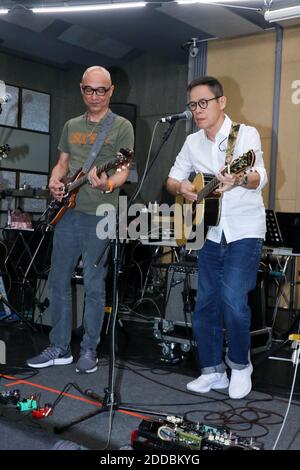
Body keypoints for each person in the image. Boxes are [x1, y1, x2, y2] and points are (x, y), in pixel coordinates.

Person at [27, 66, 134, 373]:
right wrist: (54, 181)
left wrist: (108, 183)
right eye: (89, 89)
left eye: (101, 90)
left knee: (93, 282)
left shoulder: (121, 126)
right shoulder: (71, 125)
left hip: (100, 213)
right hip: (69, 212)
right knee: (58, 280)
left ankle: (89, 348)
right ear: (81, 89)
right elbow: (62, 163)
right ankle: (59, 347)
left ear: (111, 90)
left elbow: (124, 169)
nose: (95, 96)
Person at [166, 76, 267, 399]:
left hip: (244, 230)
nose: (197, 110)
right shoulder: (192, 142)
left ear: (221, 102)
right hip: (209, 232)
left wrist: (238, 179)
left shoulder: (245, 135)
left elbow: (259, 176)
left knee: (234, 301)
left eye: (203, 103)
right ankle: (212, 372)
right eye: (193, 105)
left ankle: (240, 365)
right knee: (205, 303)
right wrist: (182, 188)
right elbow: (172, 179)